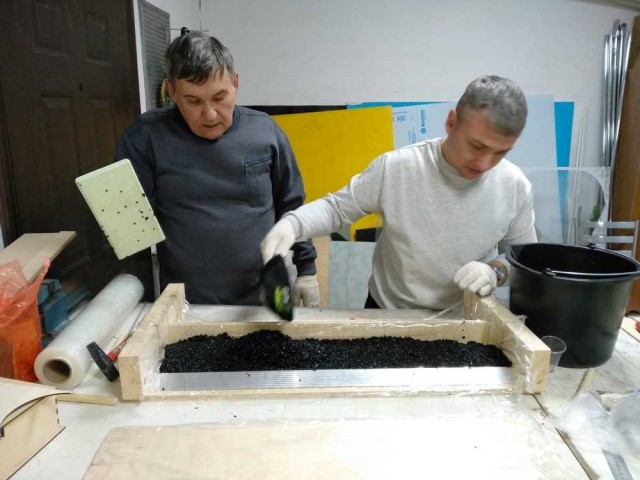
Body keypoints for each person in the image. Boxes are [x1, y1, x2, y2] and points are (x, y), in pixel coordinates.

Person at [261, 75, 536, 310]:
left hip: (464, 318)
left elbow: (524, 259)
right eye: (476, 146)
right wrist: (293, 224)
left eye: (500, 153)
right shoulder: (397, 168)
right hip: (388, 312)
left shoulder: (515, 187)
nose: (485, 163)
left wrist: (494, 272)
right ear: (451, 122)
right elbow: (336, 209)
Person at [114, 32, 319, 306]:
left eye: (219, 97)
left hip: (263, 299)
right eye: (193, 101)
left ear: (235, 83)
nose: (210, 114)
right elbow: (129, 231)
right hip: (186, 303)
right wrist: (137, 298)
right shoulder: (146, 137)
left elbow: (292, 204)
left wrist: (307, 270)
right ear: (170, 91)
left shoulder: (265, 132)